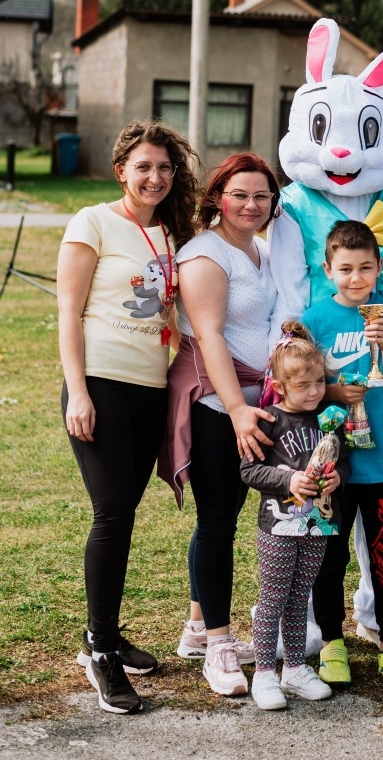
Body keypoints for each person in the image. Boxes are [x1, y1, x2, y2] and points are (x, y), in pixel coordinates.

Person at [57, 119, 201, 714]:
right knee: (111, 513)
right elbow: (68, 311)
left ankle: (109, 632)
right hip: (100, 385)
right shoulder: (91, 222)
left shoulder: (173, 235)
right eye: (143, 166)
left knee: (126, 511)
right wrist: (79, 392)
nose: (155, 177)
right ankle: (99, 651)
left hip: (150, 389)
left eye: (165, 168)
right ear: (122, 171)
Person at [161, 153, 281, 698]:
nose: (251, 205)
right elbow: (209, 336)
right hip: (216, 402)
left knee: (228, 512)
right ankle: (219, 645)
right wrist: (236, 410)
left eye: (261, 196)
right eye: (240, 195)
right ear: (217, 198)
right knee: (216, 520)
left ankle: (194, 628)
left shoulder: (258, 249)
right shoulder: (205, 254)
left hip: (255, 403)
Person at [302, 221, 383, 694]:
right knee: (327, 559)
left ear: (379, 267)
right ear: (328, 269)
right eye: (345, 269)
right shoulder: (312, 319)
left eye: (365, 268)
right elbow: (297, 390)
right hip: (332, 469)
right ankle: (332, 641)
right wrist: (332, 389)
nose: (355, 278)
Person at [240, 320, 348, 710]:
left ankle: (296, 668)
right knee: (273, 597)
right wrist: (287, 482)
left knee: (302, 596)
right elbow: (248, 471)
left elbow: (342, 462)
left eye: (319, 382)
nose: (315, 391)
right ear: (281, 386)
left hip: (318, 524)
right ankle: (265, 672)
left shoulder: (329, 419)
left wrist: (337, 480)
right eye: (303, 386)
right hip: (279, 527)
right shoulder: (268, 420)